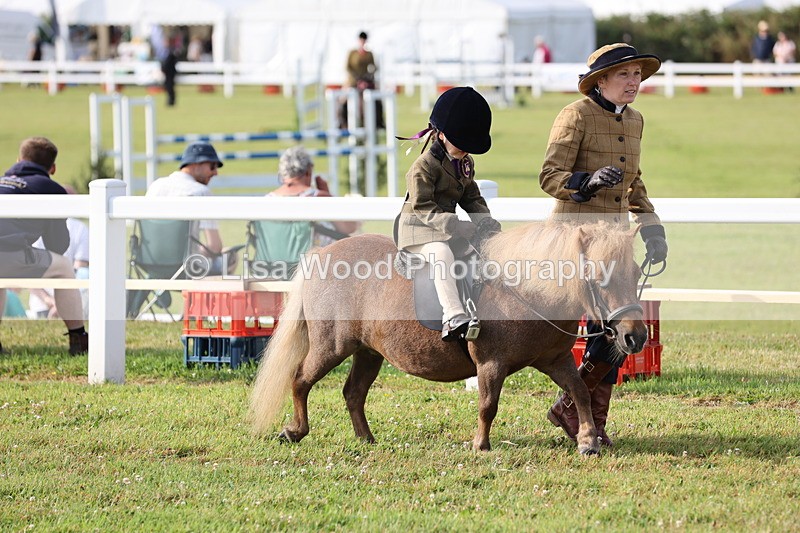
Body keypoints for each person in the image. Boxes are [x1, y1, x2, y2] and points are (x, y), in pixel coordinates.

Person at [539, 43, 669, 447]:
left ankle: (585, 416)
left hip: (615, 244)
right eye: (625, 75)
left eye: (637, 75)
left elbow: (636, 180)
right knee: (592, 331)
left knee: (617, 330)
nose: (634, 82)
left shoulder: (636, 120)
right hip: (573, 242)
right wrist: (587, 181)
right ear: (601, 80)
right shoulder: (574, 115)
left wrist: (651, 227)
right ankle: (579, 413)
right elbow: (549, 176)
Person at [395, 87, 501, 342]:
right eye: (461, 144)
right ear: (441, 135)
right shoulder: (422, 168)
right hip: (418, 231)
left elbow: (471, 196)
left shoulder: (464, 162)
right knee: (441, 254)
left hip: (445, 229)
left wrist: (485, 221)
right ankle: (453, 316)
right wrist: (457, 226)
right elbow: (423, 208)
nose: (466, 151)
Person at [0, 137, 88, 355]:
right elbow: (57, 244)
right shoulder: (50, 188)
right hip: (9, 253)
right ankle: (79, 340)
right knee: (64, 268)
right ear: (53, 168)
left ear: (18, 159)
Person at [145, 142, 238, 275]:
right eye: (212, 166)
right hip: (187, 267)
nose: (215, 172)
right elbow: (215, 247)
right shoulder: (201, 192)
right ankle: (196, 297)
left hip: (150, 261)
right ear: (196, 164)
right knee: (230, 257)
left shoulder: (156, 186)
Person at [268, 146, 359, 247]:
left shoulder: (267, 199)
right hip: (316, 259)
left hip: (274, 260)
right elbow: (349, 228)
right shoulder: (318, 197)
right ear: (308, 171)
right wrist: (327, 194)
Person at [29, 185, 90, 320]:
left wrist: (50, 301)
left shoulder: (35, 227)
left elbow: (29, 274)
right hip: (66, 303)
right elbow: (81, 272)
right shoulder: (81, 229)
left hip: (41, 303)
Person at [160, 42, 179, 107]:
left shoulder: (171, 53)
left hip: (170, 74)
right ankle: (170, 101)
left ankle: (171, 101)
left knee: (170, 88)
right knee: (168, 88)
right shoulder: (166, 53)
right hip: (168, 74)